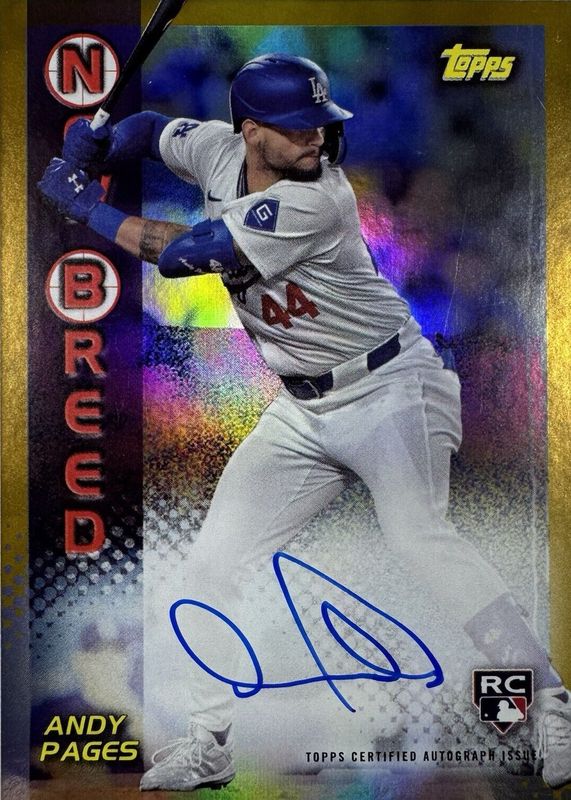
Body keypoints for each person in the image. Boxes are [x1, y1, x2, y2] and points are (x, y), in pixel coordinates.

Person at [38, 52, 570, 793]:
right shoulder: (217, 150)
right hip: (303, 407)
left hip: (391, 386)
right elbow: (152, 127)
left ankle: (548, 705)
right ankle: (208, 742)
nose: (316, 137)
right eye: (296, 127)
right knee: (208, 568)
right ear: (250, 131)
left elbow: (185, 254)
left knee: (419, 538)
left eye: (319, 123)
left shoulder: (318, 199)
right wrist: (100, 144)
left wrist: (86, 207)